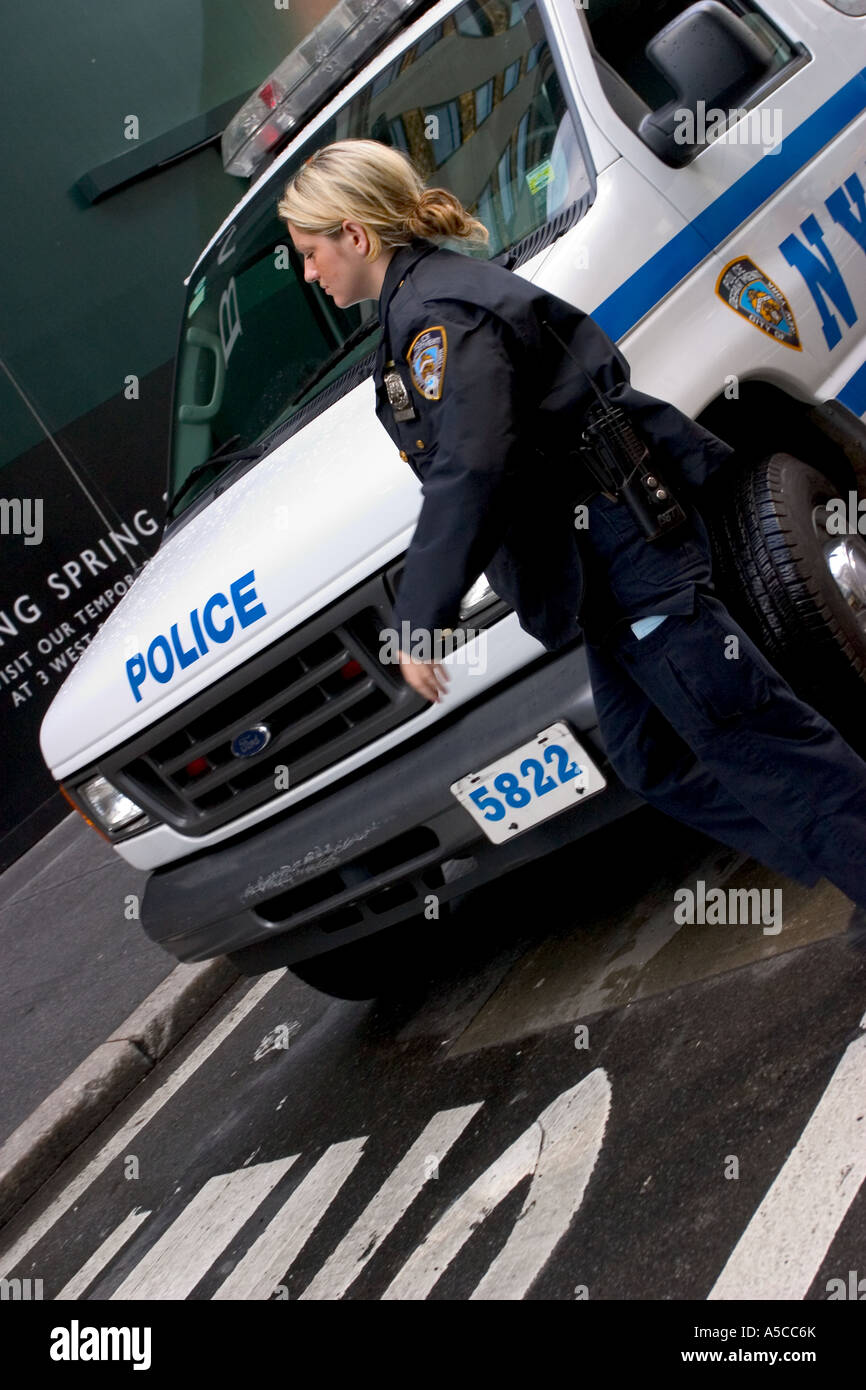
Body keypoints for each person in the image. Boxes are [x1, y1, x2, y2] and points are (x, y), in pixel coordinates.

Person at [278, 137, 866, 933]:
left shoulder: (438, 313)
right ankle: (840, 853)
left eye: (311, 253)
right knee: (650, 757)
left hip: (626, 556)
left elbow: (473, 462)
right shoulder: (419, 310)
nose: (309, 274)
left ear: (355, 235)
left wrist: (421, 613)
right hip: (600, 576)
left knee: (755, 738)